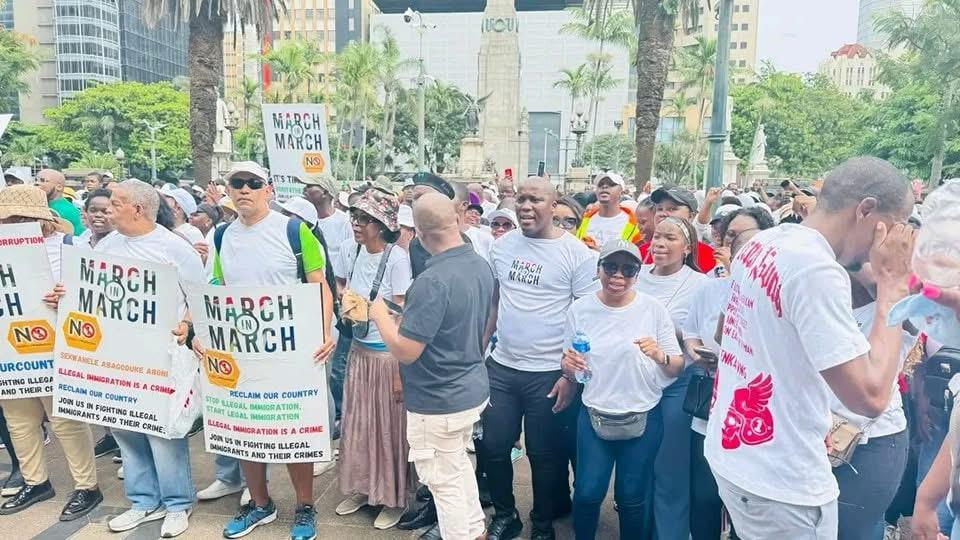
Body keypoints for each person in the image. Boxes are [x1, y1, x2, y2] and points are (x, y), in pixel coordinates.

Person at [705, 157, 916, 539]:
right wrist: (892, 289)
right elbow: (869, 396)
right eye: (892, 229)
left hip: (738, 453)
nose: (888, 246)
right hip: (783, 482)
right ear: (866, 210)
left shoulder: (764, 242)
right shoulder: (816, 270)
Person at [208, 162, 336, 540]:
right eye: (237, 183)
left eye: (253, 183)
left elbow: (321, 286)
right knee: (247, 430)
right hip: (241, 351)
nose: (244, 189)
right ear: (228, 190)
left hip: (293, 351)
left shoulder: (294, 231)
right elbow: (216, 287)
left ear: (268, 190)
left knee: (295, 431)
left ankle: (305, 507)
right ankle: (260, 505)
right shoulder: (221, 237)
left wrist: (324, 331)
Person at [82, 180, 204, 538]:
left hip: (160, 359)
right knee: (125, 429)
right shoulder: (108, 245)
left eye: (116, 203)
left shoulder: (173, 248)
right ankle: (142, 501)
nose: (107, 209)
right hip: (115, 358)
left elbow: (199, 299)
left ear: (137, 208)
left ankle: (177, 504)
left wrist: (185, 324)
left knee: (163, 432)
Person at [369, 192, 493, 540]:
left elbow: (407, 351)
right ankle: (475, 531)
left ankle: (464, 534)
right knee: (457, 470)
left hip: (438, 398)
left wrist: (379, 315)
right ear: (456, 219)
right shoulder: (479, 265)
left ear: (419, 233)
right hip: (469, 386)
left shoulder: (431, 280)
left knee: (443, 482)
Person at [482, 177, 599, 540]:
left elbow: (585, 318)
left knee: (544, 455)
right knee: (492, 446)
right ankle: (506, 514)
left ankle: (543, 522)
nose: (526, 206)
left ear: (553, 205)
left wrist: (569, 376)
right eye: (521, 198)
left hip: (549, 373)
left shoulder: (576, 254)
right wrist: (480, 349)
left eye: (536, 199)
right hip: (501, 367)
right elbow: (494, 301)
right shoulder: (502, 247)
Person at [562, 239, 683, 539]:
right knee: (588, 492)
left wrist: (659, 355)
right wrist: (568, 367)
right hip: (595, 414)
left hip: (642, 415)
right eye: (611, 267)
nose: (618, 276)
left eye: (628, 269)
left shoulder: (652, 310)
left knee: (631, 496)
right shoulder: (581, 309)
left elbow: (676, 365)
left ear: (637, 274)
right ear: (599, 268)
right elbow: (568, 365)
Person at [0, 186, 101, 521]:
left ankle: (87, 486)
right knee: (19, 420)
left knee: (65, 421)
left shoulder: (70, 246)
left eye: (13, 217)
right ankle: (35, 481)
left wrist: (68, 295)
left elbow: (93, 293)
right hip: (9, 350)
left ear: (34, 218)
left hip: (55, 347)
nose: (8, 222)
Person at [682, 207, 775, 540]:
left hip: (753, 414)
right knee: (704, 496)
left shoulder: (777, 294)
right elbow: (691, 332)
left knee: (745, 505)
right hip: (709, 408)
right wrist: (697, 353)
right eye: (730, 235)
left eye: (745, 236)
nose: (735, 242)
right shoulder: (709, 288)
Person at [336, 189, 415, 530]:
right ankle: (362, 487)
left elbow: (402, 311)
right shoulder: (348, 250)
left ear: (381, 225)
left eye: (365, 219)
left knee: (388, 428)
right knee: (360, 423)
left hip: (386, 357)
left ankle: (392, 497)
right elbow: (340, 282)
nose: (357, 224)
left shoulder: (397, 259)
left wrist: (400, 368)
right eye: (355, 217)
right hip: (359, 350)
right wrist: (346, 302)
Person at [634, 216, 708, 540]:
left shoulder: (700, 284)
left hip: (677, 385)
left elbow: (703, 339)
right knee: (639, 465)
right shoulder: (634, 276)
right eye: (657, 237)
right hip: (634, 382)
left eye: (670, 238)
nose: (660, 244)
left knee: (670, 467)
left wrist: (668, 331)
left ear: (688, 247)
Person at [830, 263, 916, 540]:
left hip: (875, 442)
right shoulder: (833, 306)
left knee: (853, 530)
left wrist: (882, 259)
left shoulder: (900, 308)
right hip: (828, 437)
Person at [639, 187, 714, 272]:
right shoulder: (640, 253)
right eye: (659, 209)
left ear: (691, 216)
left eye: (672, 209)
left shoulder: (709, 256)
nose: (663, 214)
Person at [576, 173, 641, 248]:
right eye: (600, 185)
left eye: (611, 184)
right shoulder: (584, 219)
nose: (604, 187)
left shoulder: (634, 224)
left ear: (622, 192)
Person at [36, 169, 84, 234]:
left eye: (43, 180)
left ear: (59, 187)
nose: (36, 183)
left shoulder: (70, 211)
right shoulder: (36, 206)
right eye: (36, 180)